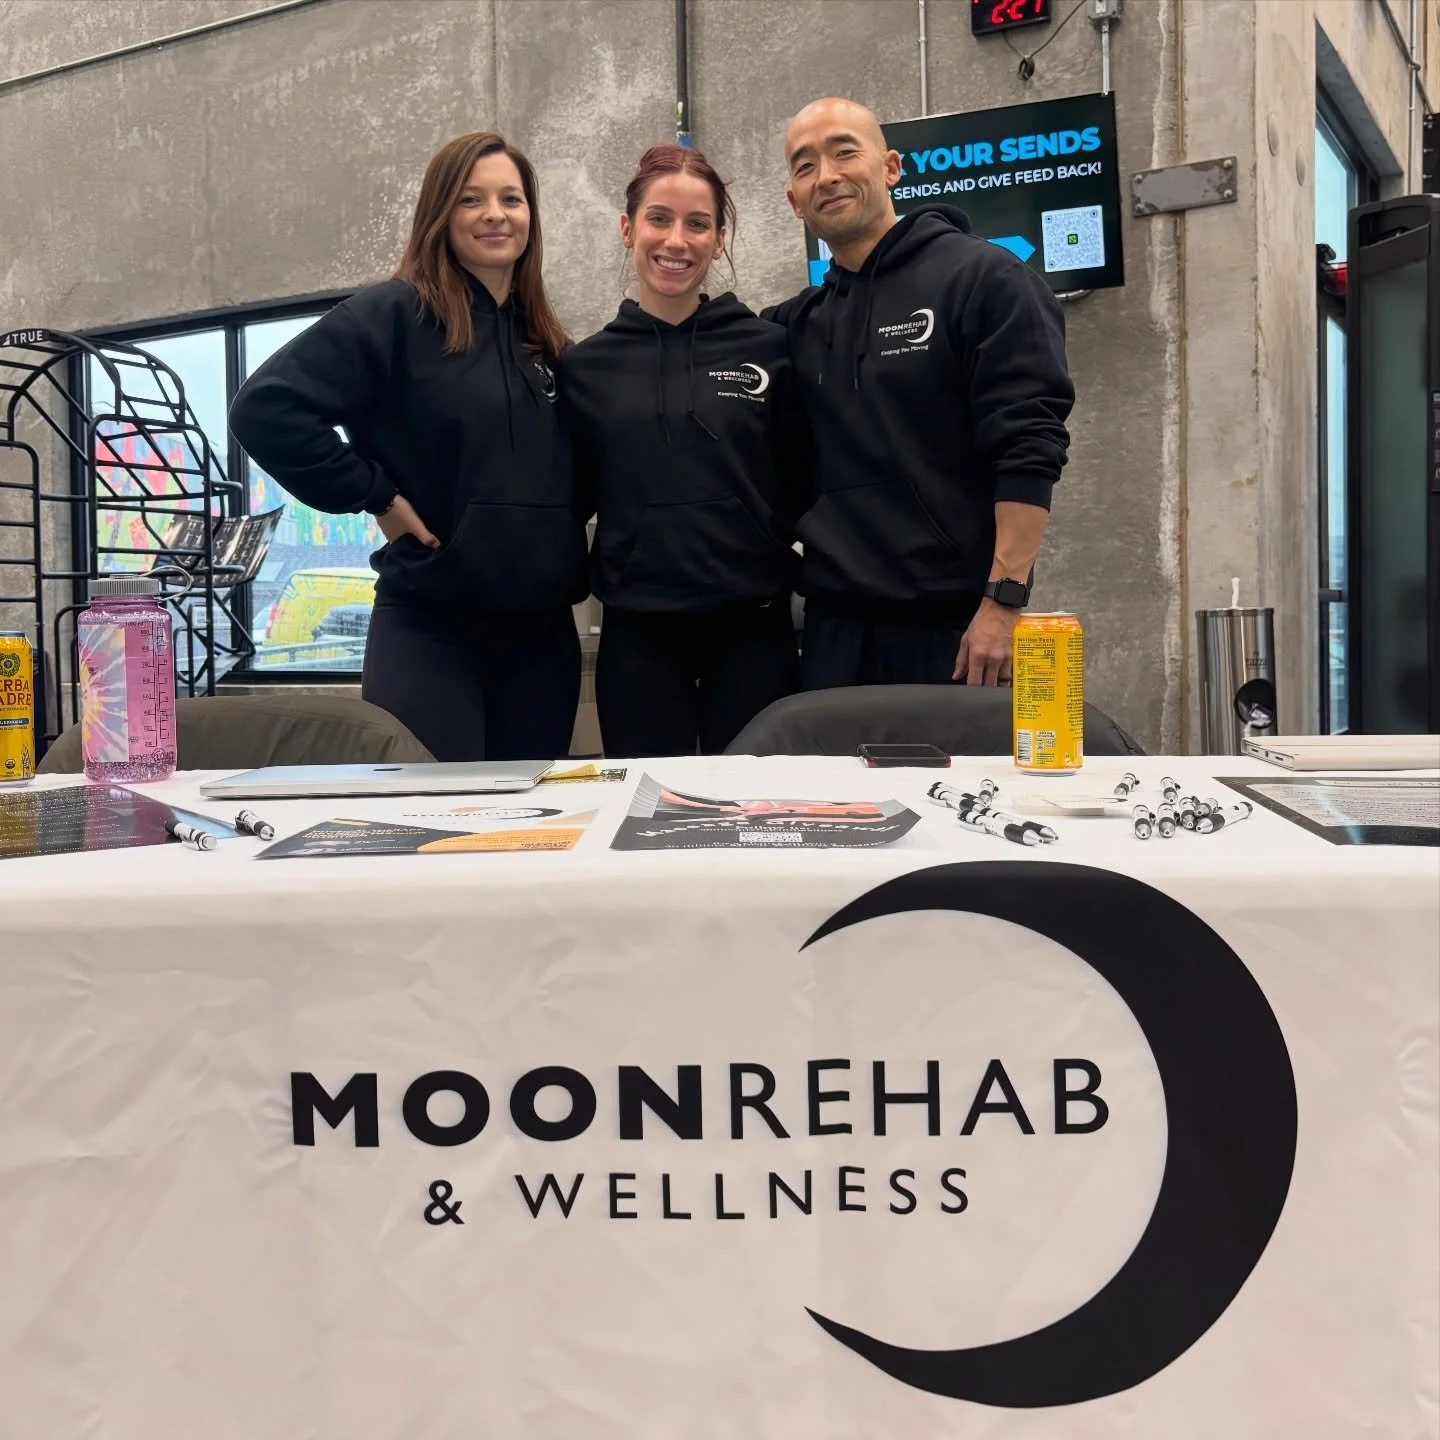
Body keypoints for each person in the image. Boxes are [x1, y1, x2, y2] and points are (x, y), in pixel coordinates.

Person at [229, 131, 587, 762]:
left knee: (526, 844)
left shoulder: (546, 345)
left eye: (512, 198)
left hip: (541, 638)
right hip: (432, 628)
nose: (496, 214)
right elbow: (267, 409)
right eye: (472, 199)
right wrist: (378, 496)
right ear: (440, 213)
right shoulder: (395, 315)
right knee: (429, 831)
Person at [764, 97, 1075, 689]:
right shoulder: (794, 325)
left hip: (961, 628)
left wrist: (1004, 602)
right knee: (830, 788)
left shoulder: (986, 280)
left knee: (956, 787)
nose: (826, 175)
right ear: (793, 199)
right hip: (833, 633)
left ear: (891, 167)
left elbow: (1029, 447)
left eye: (844, 151)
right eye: (804, 167)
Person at [557, 144, 808, 757]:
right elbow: (567, 498)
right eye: (659, 219)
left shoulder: (772, 348)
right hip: (639, 635)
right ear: (627, 228)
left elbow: (803, 478)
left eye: (698, 224)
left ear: (718, 239)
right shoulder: (586, 367)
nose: (677, 240)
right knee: (645, 815)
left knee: (761, 815)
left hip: (755, 630)